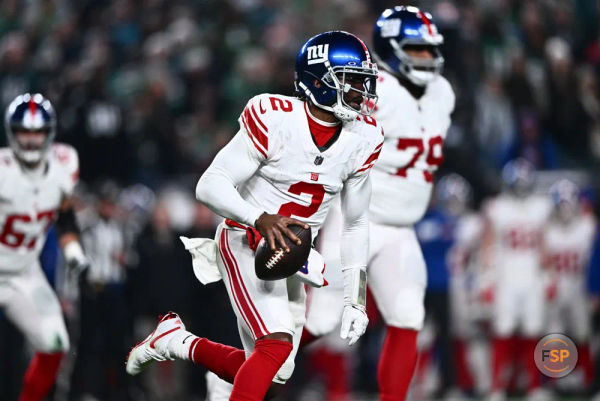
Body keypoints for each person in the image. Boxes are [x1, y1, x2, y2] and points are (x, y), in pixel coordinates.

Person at [125, 30, 383, 401]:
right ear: (320, 82)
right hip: (245, 239)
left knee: (277, 372)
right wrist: (258, 217)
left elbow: (356, 222)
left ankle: (178, 342)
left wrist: (355, 299)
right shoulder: (274, 118)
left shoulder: (365, 137)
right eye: (353, 82)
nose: (363, 92)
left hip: (292, 254)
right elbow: (210, 185)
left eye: (364, 82)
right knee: (275, 346)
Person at [0, 93, 87, 401]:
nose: (32, 140)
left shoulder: (65, 163)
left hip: (25, 271)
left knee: (55, 343)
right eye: (25, 132)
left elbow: (64, 214)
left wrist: (72, 248)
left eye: (38, 132)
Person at [481, 158, 552, 401]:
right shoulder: (497, 207)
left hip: (532, 277)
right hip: (506, 277)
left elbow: (545, 243)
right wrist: (486, 280)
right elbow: (488, 245)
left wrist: (549, 276)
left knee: (532, 331)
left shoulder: (540, 207)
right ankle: (498, 387)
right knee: (503, 331)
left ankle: (533, 386)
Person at [543, 179, 596, 392]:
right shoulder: (547, 229)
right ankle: (552, 381)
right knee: (554, 335)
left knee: (583, 334)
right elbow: (543, 261)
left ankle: (586, 378)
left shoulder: (587, 226)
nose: (564, 210)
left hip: (579, 286)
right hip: (557, 286)